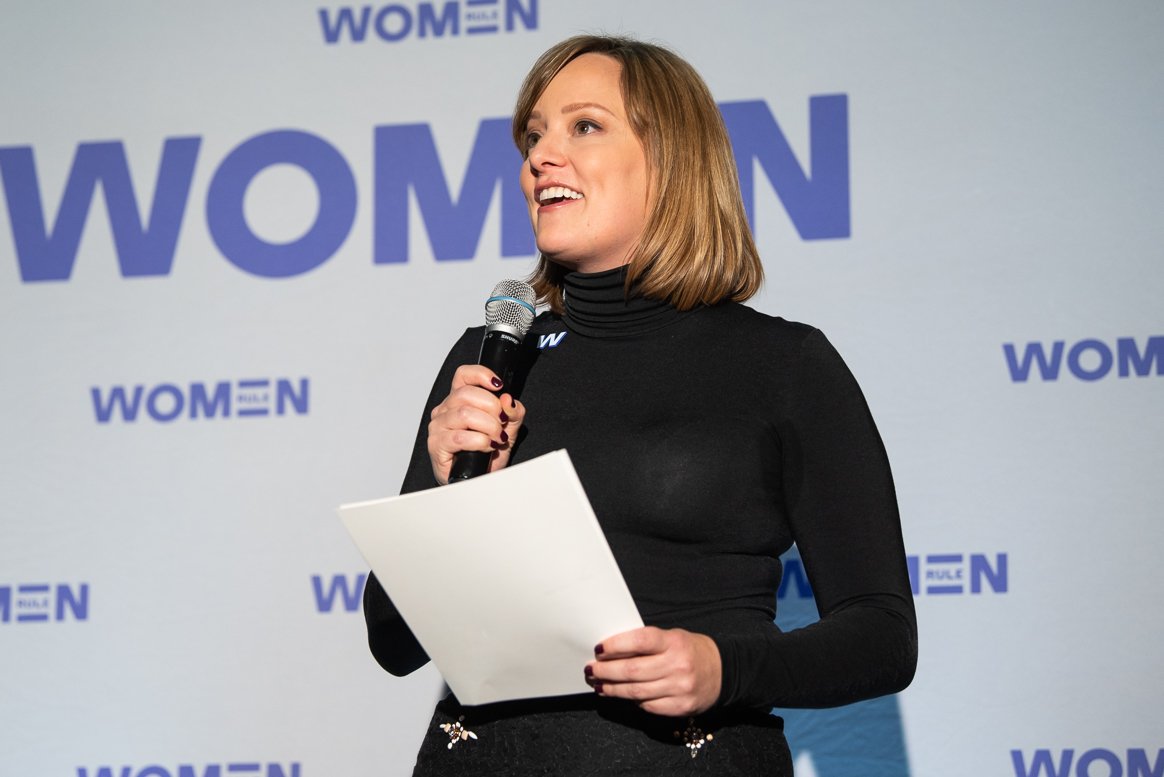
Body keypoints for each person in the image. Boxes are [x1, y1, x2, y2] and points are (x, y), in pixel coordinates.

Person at [363, 34, 917, 775]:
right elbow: (392, 641)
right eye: (533, 136)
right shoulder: (493, 358)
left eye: (584, 126)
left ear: (672, 161)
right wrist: (446, 491)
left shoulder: (784, 364)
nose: (541, 156)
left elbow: (883, 635)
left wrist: (725, 668)